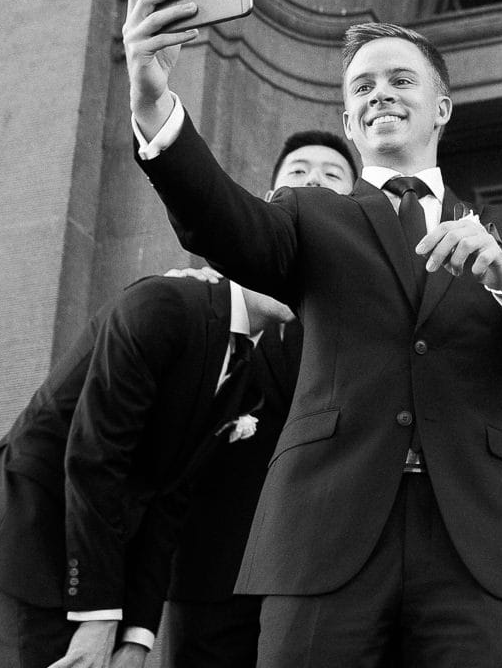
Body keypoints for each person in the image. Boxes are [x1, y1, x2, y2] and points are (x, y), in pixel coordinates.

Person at [121, 0, 502, 668]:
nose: (381, 92)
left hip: (479, 545)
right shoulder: (308, 213)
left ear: (442, 107)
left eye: (402, 80)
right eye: (362, 86)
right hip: (325, 533)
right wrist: (153, 103)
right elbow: (219, 221)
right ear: (351, 125)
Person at [0, 274, 294, 668]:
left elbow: (169, 498)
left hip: (93, 559)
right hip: (24, 542)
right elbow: (95, 459)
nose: (302, 275)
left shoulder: (242, 365)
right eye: (290, 254)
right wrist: (99, 616)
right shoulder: (163, 305)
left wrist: (137, 638)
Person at [164, 130, 359, 668]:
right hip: (209, 567)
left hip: (320, 578)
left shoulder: (368, 313)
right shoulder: (201, 297)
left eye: (332, 173)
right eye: (298, 170)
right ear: (269, 194)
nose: (314, 178)